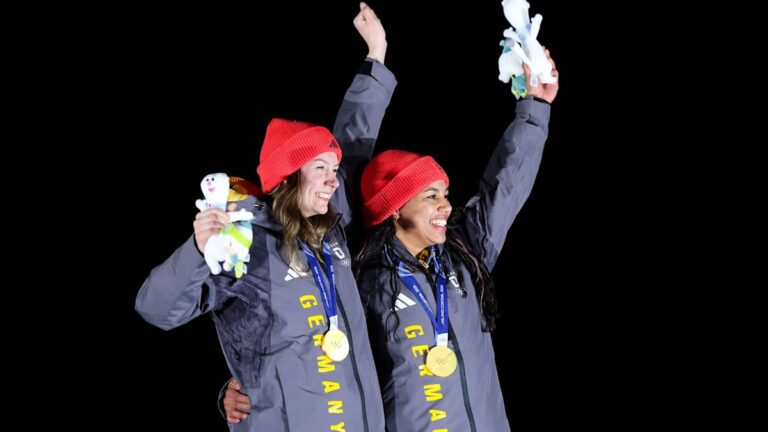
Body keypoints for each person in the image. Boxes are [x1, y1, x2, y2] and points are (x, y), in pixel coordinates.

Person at [225, 47, 559, 430]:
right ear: (395, 208)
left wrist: (535, 108)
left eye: (445, 194)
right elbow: (293, 335)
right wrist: (241, 385)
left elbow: (506, 186)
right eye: (430, 196)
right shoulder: (359, 279)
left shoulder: (465, 256)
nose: (446, 206)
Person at [136, 3, 396, 431]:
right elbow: (156, 310)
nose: (333, 180)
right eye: (320, 168)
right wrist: (197, 251)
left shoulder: (331, 230)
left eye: (334, 170)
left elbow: (353, 139)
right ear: (289, 176)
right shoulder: (242, 241)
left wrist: (377, 56)